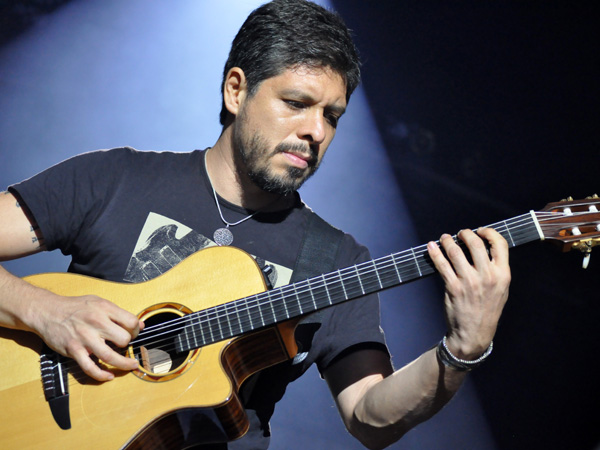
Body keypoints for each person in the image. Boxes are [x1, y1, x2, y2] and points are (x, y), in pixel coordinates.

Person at [0, 0, 510, 448]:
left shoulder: (336, 262)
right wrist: (43, 309)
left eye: (332, 116)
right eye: (296, 103)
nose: (315, 131)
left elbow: (370, 418)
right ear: (236, 90)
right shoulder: (115, 176)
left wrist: (463, 350)